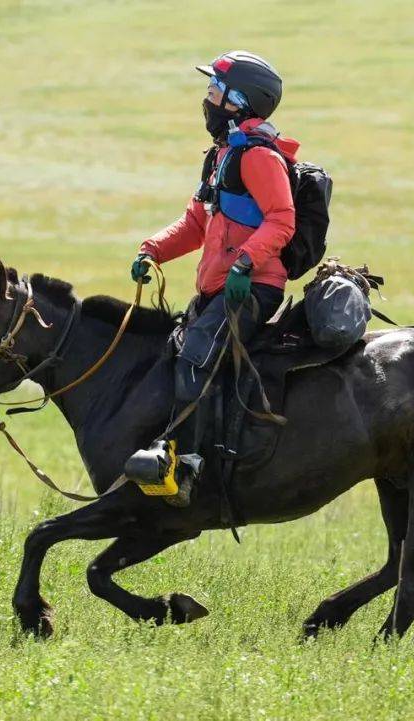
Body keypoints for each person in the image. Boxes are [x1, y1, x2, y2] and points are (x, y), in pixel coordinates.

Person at [124, 51, 300, 498]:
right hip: (220, 285)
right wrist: (153, 250)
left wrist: (245, 262)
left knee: (197, 355)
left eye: (213, 91)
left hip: (252, 284)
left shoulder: (259, 158)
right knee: (173, 353)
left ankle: (189, 468)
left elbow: (282, 220)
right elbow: (197, 224)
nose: (206, 99)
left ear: (238, 100)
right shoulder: (221, 155)